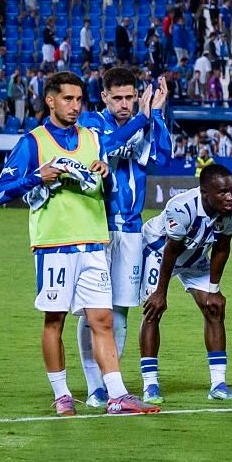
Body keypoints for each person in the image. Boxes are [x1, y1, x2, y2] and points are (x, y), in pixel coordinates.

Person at [0, 71, 159, 415]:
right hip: (55, 245)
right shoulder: (33, 142)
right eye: (68, 99)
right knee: (55, 320)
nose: (75, 106)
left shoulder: (92, 138)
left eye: (79, 99)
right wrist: (37, 176)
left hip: (94, 242)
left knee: (103, 320)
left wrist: (106, 174)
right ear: (50, 100)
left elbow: (111, 171)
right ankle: (62, 394)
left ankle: (116, 395)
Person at [76, 68, 171, 408]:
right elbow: (105, 146)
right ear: (104, 97)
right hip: (96, 227)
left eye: (130, 97)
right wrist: (142, 118)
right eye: (117, 98)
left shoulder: (143, 122)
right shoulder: (90, 124)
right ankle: (94, 386)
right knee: (92, 310)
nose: (125, 104)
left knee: (119, 311)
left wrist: (156, 114)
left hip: (131, 230)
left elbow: (163, 157)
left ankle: (110, 381)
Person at [139, 165, 232, 402]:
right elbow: (171, 249)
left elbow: (222, 247)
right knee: (153, 311)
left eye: (231, 191)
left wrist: (214, 290)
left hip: (195, 254)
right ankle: (150, 384)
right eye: (223, 192)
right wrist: (160, 293)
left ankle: (218, 384)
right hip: (159, 252)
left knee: (214, 309)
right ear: (205, 192)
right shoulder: (182, 207)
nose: (230, 197)